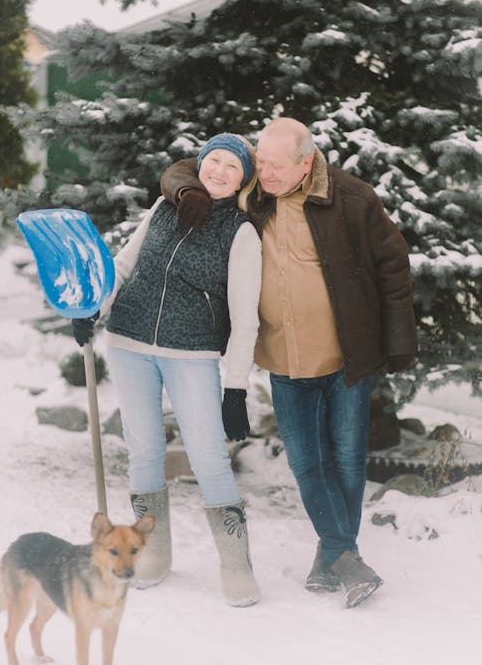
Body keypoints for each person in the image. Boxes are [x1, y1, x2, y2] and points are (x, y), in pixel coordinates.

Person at [160, 117, 418, 608]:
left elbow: (393, 262)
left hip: (345, 357)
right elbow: (185, 172)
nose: (267, 174)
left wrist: (399, 339)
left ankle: (334, 557)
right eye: (261, 162)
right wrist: (186, 190)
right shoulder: (255, 191)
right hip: (284, 359)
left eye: (278, 166)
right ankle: (346, 557)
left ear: (307, 162)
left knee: (346, 459)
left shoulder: (353, 198)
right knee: (305, 462)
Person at [71, 133, 262, 607]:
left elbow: (245, 318)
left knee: (208, 456)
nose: (219, 170)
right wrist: (93, 305)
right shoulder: (163, 207)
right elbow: (124, 264)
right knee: (144, 450)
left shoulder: (241, 231)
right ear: (199, 163)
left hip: (192, 353)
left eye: (231, 166)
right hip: (128, 341)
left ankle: (237, 566)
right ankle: (152, 555)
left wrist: (234, 388)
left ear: (243, 180)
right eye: (213, 160)